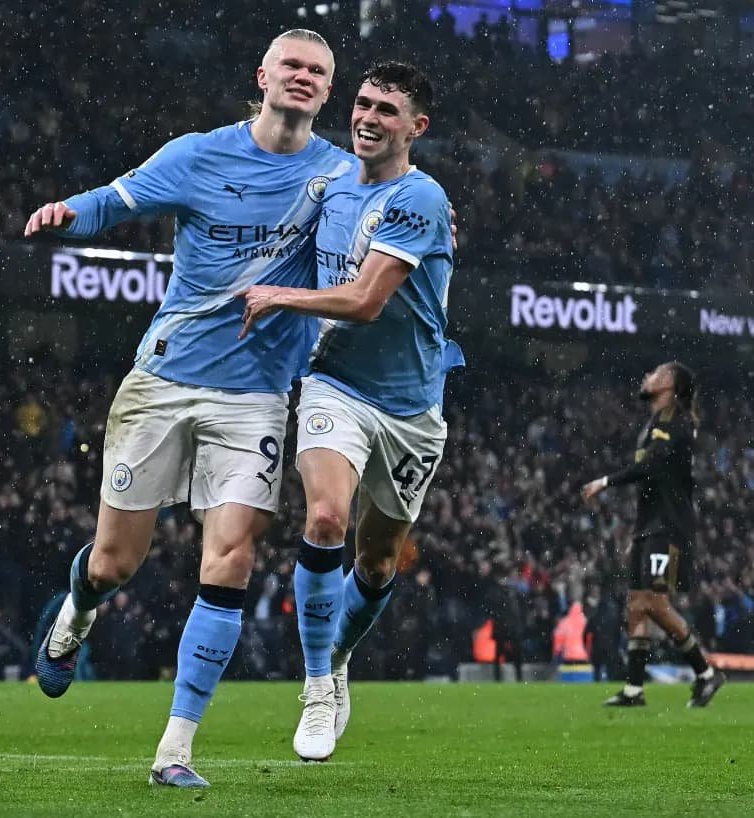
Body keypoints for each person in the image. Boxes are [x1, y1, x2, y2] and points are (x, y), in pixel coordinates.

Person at [23, 29, 357, 788]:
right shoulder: (199, 155)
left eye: (317, 71)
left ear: (328, 90)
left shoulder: (339, 175)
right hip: (165, 381)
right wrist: (68, 213)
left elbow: (391, 210)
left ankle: (174, 751)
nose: (303, 77)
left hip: (258, 398)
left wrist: (435, 224)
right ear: (263, 75)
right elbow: (115, 200)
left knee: (230, 558)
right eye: (292, 65)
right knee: (114, 564)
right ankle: (77, 610)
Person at [240, 61, 460, 760]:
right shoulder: (330, 180)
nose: (368, 118)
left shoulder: (421, 197)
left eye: (387, 111)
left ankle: (337, 656)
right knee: (326, 519)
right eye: (363, 104)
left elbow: (365, 302)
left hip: (412, 408)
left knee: (378, 562)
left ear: (416, 127)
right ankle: (315, 687)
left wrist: (280, 296)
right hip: (335, 382)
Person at [582, 362, 725, 708]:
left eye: (657, 374)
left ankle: (706, 673)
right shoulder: (655, 423)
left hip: (668, 526)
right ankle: (634, 690)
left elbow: (652, 465)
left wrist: (606, 481)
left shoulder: (676, 422)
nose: (648, 377)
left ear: (671, 387)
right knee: (636, 605)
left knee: (654, 603)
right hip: (649, 526)